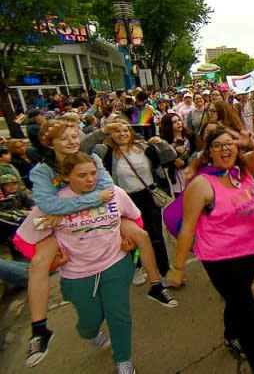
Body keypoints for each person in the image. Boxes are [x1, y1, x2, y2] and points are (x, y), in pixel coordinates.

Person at [23, 120, 176, 368]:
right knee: (40, 263)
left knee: (140, 237)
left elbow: (107, 192)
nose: (72, 141)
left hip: (106, 236)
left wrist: (86, 203)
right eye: (65, 138)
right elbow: (50, 207)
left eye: (75, 136)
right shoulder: (43, 171)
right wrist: (76, 207)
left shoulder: (92, 158)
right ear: (50, 144)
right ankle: (40, 328)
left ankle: (154, 287)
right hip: (65, 240)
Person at [16, 152, 143, 374]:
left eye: (93, 173)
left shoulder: (112, 193)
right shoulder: (53, 205)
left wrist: (128, 239)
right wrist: (52, 256)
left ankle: (123, 362)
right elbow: (26, 238)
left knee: (119, 315)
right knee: (90, 320)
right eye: (82, 175)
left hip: (116, 264)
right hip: (77, 275)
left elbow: (133, 217)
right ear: (66, 177)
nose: (90, 180)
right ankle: (90, 333)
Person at [168, 126, 254, 374]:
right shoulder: (202, 185)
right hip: (221, 258)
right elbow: (188, 230)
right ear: (208, 153)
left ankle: (230, 334)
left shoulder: (243, 168)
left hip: (249, 251)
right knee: (246, 306)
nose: (225, 149)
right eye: (218, 145)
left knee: (237, 298)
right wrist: (178, 268)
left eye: (230, 143)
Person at [95, 119, 177, 287]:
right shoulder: (106, 152)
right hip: (126, 200)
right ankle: (137, 266)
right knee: (133, 237)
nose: (122, 134)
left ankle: (164, 271)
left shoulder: (143, 147)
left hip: (148, 196)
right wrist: (101, 131)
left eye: (125, 130)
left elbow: (170, 156)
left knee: (156, 235)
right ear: (110, 134)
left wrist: (161, 144)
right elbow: (85, 149)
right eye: (117, 131)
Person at [158, 113, 192, 196]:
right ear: (168, 126)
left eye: (179, 120)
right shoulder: (166, 143)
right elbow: (164, 163)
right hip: (177, 178)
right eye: (174, 122)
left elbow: (196, 154)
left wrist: (185, 161)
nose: (178, 123)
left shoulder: (190, 136)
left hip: (193, 173)